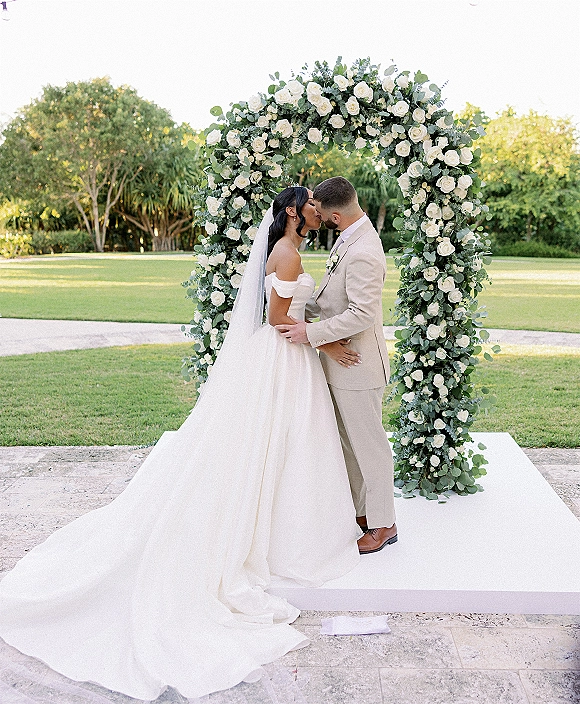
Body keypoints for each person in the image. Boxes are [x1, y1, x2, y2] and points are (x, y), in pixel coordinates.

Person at [0, 187, 362, 701]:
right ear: (292, 211)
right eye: (308, 204)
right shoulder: (287, 252)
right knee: (279, 445)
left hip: (286, 359)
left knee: (286, 449)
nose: (315, 212)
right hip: (284, 360)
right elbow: (281, 320)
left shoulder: (289, 250)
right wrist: (328, 338)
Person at [276, 177, 398, 554]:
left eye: (321, 213)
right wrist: (300, 307)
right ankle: (364, 512)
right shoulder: (352, 237)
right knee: (349, 445)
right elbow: (333, 300)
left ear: (334, 214)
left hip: (358, 365)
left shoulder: (363, 250)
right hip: (342, 365)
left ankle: (384, 524)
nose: (319, 219)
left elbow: (362, 314)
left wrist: (310, 333)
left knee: (371, 447)